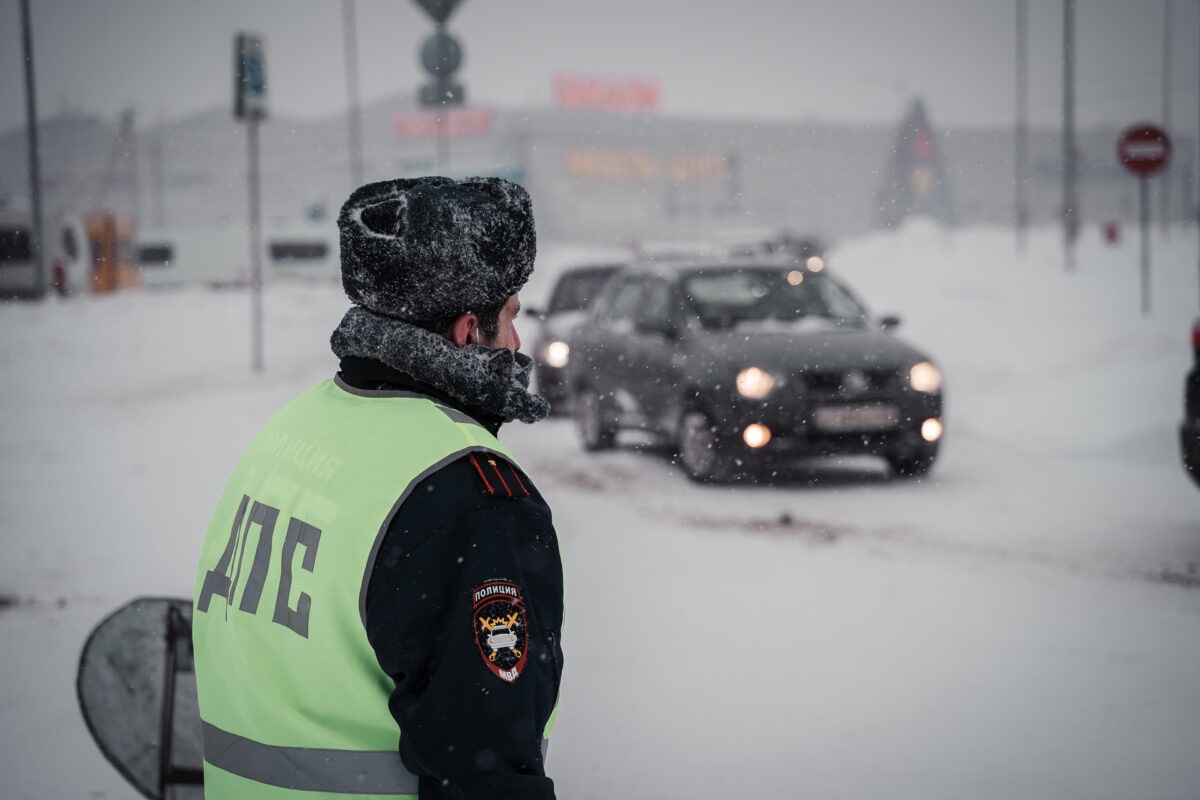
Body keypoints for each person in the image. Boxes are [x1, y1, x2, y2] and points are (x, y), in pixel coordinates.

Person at [192, 176, 564, 800]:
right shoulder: (469, 496)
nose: (519, 342)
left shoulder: (294, 430)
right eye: (512, 317)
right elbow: (485, 768)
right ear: (470, 331)